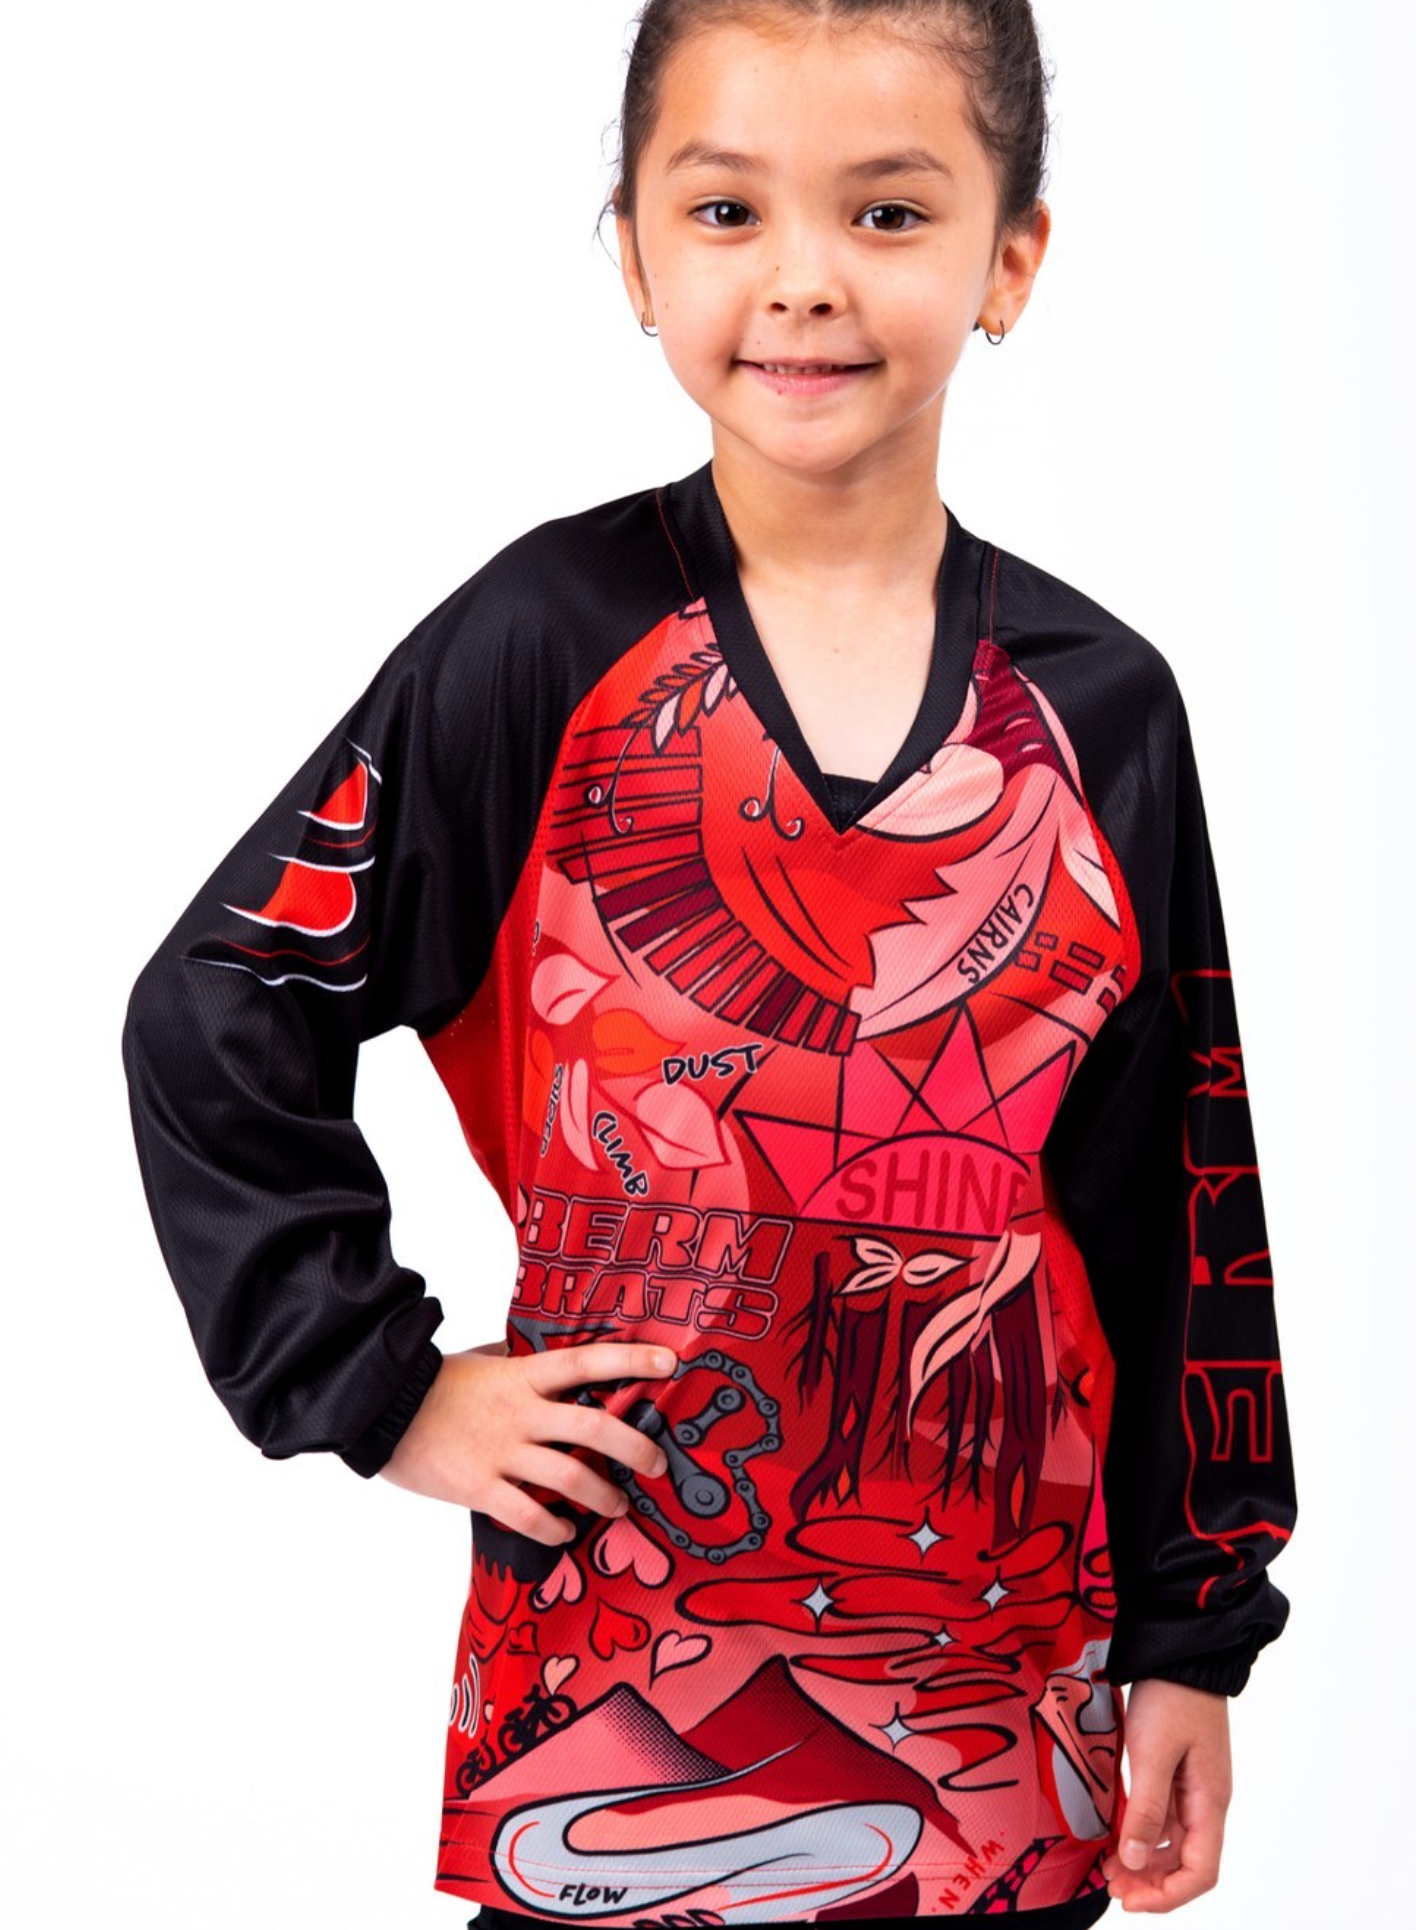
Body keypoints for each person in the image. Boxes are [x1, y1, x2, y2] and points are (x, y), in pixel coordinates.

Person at [120, 2, 1298, 1923]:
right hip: (602, 1716)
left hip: (1003, 1724)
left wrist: (1194, 1629)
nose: (804, 280)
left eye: (889, 212)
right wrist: (382, 1381)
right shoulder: (542, 640)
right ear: (635, 254)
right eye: (729, 209)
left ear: (1012, 259)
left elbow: (1179, 1198)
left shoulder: (1104, 712)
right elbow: (220, 1003)